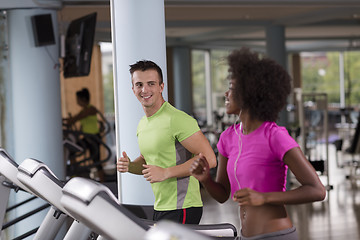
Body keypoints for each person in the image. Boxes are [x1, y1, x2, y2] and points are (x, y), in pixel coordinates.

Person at [190, 48, 326, 239]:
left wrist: (264, 197)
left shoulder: (275, 136)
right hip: (244, 235)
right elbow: (222, 195)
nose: (226, 94)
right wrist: (206, 180)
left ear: (250, 93)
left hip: (276, 234)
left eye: (232, 88)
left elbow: (317, 190)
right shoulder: (227, 138)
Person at [117, 60, 217, 224]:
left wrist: (166, 173)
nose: (145, 90)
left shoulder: (177, 119)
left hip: (183, 207)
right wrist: (129, 166)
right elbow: (149, 162)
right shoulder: (143, 123)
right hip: (161, 207)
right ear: (133, 89)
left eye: (151, 83)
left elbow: (210, 159)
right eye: (139, 84)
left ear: (161, 87)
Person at [63, 88, 107, 182]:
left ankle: (103, 182)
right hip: (87, 138)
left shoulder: (91, 109)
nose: (77, 101)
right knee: (72, 151)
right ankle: (76, 174)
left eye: (78, 99)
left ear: (83, 99)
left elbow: (77, 118)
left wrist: (68, 121)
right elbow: (81, 126)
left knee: (96, 162)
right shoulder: (84, 111)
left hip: (93, 138)